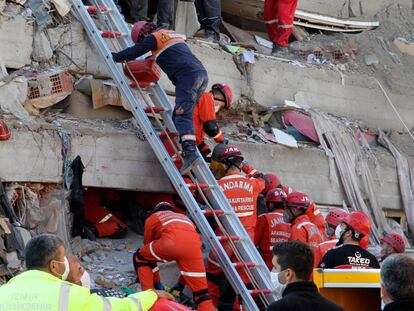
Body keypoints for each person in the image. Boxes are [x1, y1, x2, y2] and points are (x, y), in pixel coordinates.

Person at [112, 21, 208, 175]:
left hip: (187, 77)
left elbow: (133, 53)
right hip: (201, 74)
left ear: (143, 34)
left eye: (140, 40)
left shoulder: (154, 38)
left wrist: (115, 56)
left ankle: (190, 153)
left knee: (183, 115)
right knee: (178, 115)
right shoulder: (169, 34)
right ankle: (188, 146)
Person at [0, 234, 173, 310]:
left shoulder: (4, 291)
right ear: (54, 266)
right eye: (63, 259)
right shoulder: (67, 294)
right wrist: (150, 295)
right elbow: (122, 307)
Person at [206, 145, 267, 308]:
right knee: (245, 286)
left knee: (212, 277)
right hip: (246, 243)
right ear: (240, 163)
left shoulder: (216, 186)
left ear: (223, 164)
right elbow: (263, 179)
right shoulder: (253, 184)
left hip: (224, 240)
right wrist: (247, 166)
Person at [133, 202, 215, 311]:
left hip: (169, 244)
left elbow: (149, 258)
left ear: (155, 210)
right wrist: (180, 285)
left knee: (141, 257)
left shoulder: (153, 218)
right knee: (202, 294)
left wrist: (157, 283)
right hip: (194, 246)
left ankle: (148, 298)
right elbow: (188, 269)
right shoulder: (184, 218)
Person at [267, 241, 345, 311]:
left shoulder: (278, 308)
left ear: (288, 274)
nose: (272, 272)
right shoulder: (336, 309)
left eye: (275, 267)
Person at [254, 188, 291, 269]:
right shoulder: (292, 221)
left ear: (270, 205)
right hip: (286, 266)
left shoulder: (264, 218)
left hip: (267, 265)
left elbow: (254, 242)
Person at [194, 83, 232, 161]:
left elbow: (198, 138)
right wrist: (221, 139)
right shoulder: (207, 97)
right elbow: (211, 127)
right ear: (219, 98)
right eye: (222, 106)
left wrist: (207, 152)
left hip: (187, 141)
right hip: (181, 145)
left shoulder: (201, 101)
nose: (219, 109)